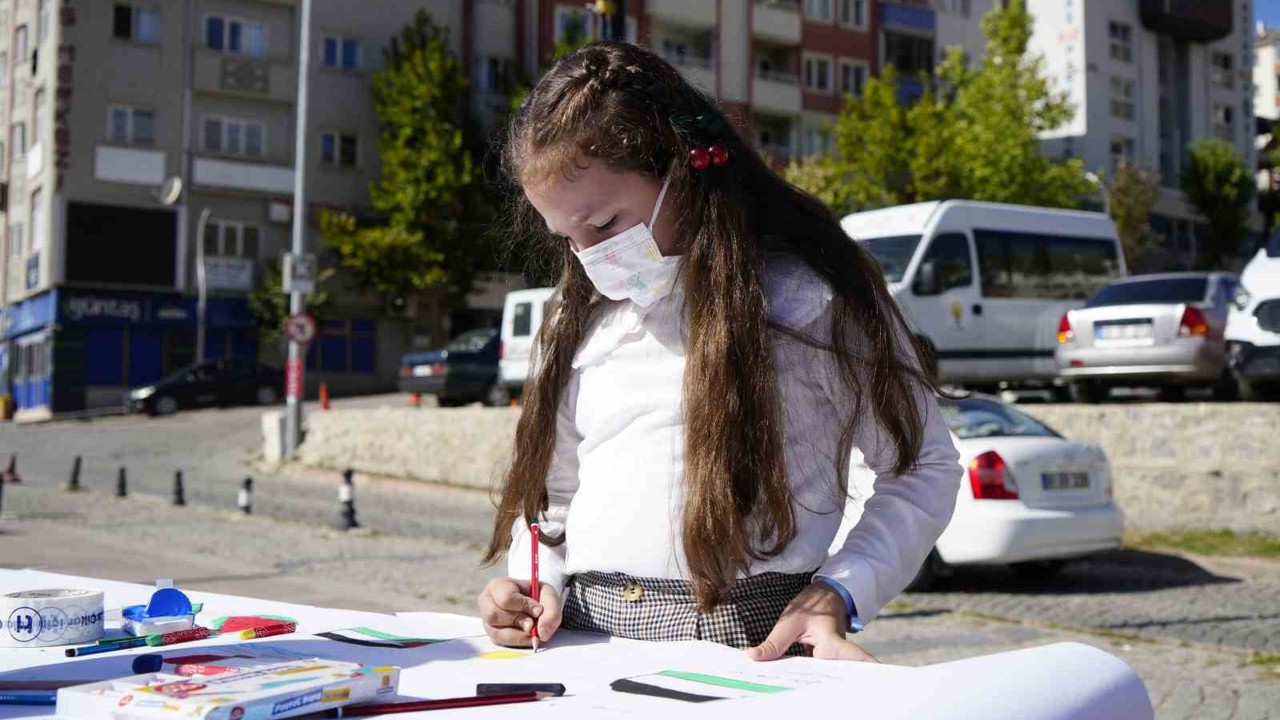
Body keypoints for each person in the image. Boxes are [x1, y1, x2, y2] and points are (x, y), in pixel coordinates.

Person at [478, 41, 962, 662]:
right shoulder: (577, 319)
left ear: (684, 169)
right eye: (567, 238)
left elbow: (921, 466)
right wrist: (531, 583)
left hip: (747, 637)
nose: (590, 259)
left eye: (603, 225)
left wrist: (841, 591)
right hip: (581, 637)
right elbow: (553, 502)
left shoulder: (810, 300)